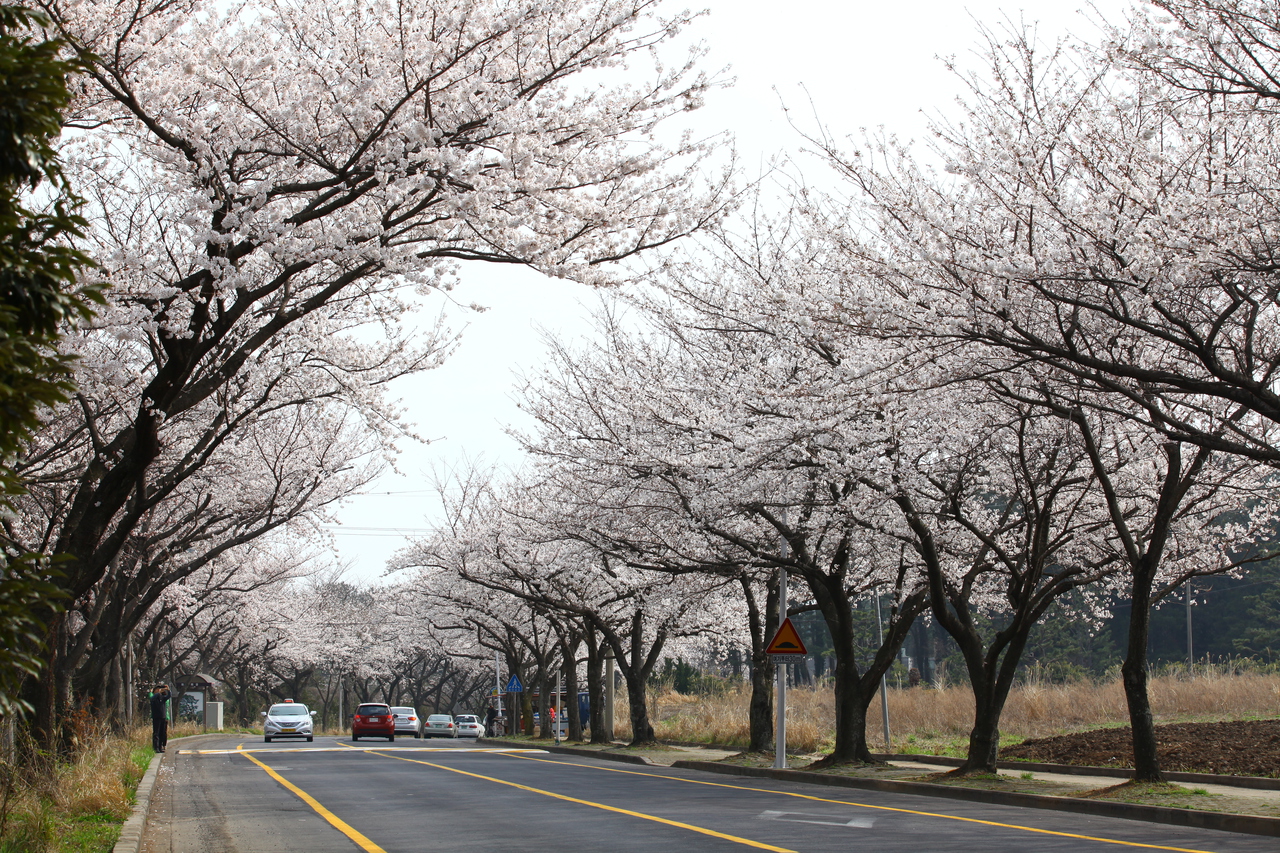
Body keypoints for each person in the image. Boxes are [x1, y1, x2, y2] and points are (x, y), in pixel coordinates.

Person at [150, 683, 171, 753]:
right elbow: (152, 697)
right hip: (156, 717)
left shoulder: (163, 698)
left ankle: (160, 746)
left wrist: (168, 690)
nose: (159, 690)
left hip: (163, 717)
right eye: (157, 689)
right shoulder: (154, 698)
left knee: (162, 733)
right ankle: (156, 747)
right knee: (156, 733)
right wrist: (157, 693)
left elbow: (168, 696)